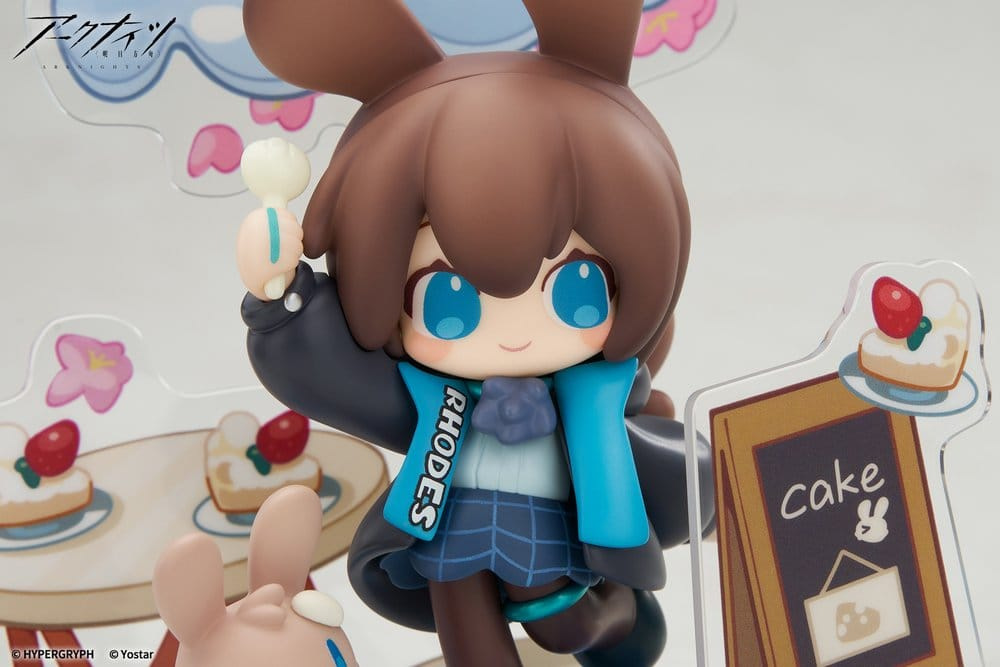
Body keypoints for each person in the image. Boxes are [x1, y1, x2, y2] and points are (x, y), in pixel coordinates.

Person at [237, 2, 714, 664]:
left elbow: (657, 458)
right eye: (446, 300)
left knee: (564, 627)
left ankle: (616, 620)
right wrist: (280, 294)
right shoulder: (424, 392)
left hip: (554, 520)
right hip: (446, 519)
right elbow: (332, 373)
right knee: (462, 616)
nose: (514, 336)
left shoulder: (595, 392)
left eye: (576, 291)